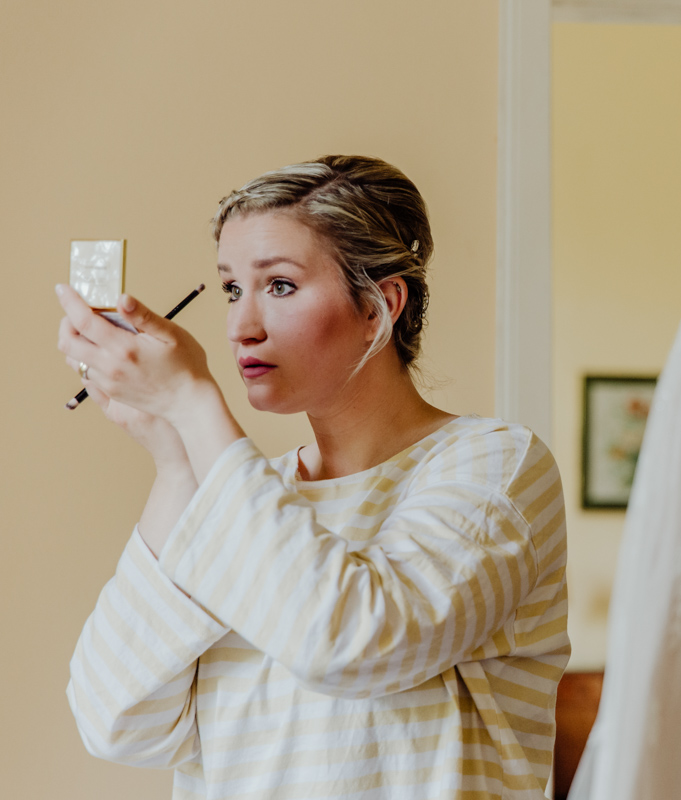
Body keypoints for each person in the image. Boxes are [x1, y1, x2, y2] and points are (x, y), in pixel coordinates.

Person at [58, 155, 570, 800]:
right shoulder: (241, 493)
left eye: (278, 286)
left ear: (378, 307)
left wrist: (195, 407)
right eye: (231, 289)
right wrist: (175, 458)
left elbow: (352, 644)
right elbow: (115, 722)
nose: (241, 326)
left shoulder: (495, 466)